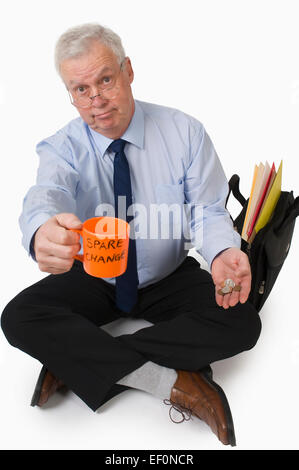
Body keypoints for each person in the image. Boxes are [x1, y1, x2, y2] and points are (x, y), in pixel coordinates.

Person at [1, 23, 261, 447]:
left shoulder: (184, 131)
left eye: (105, 79)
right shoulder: (63, 146)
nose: (96, 100)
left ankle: (75, 359)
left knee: (243, 320)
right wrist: (39, 230)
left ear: (128, 71)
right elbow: (47, 193)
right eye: (80, 89)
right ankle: (171, 382)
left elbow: (208, 211)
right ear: (70, 94)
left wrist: (219, 254)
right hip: (96, 277)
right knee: (17, 318)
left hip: (169, 274)